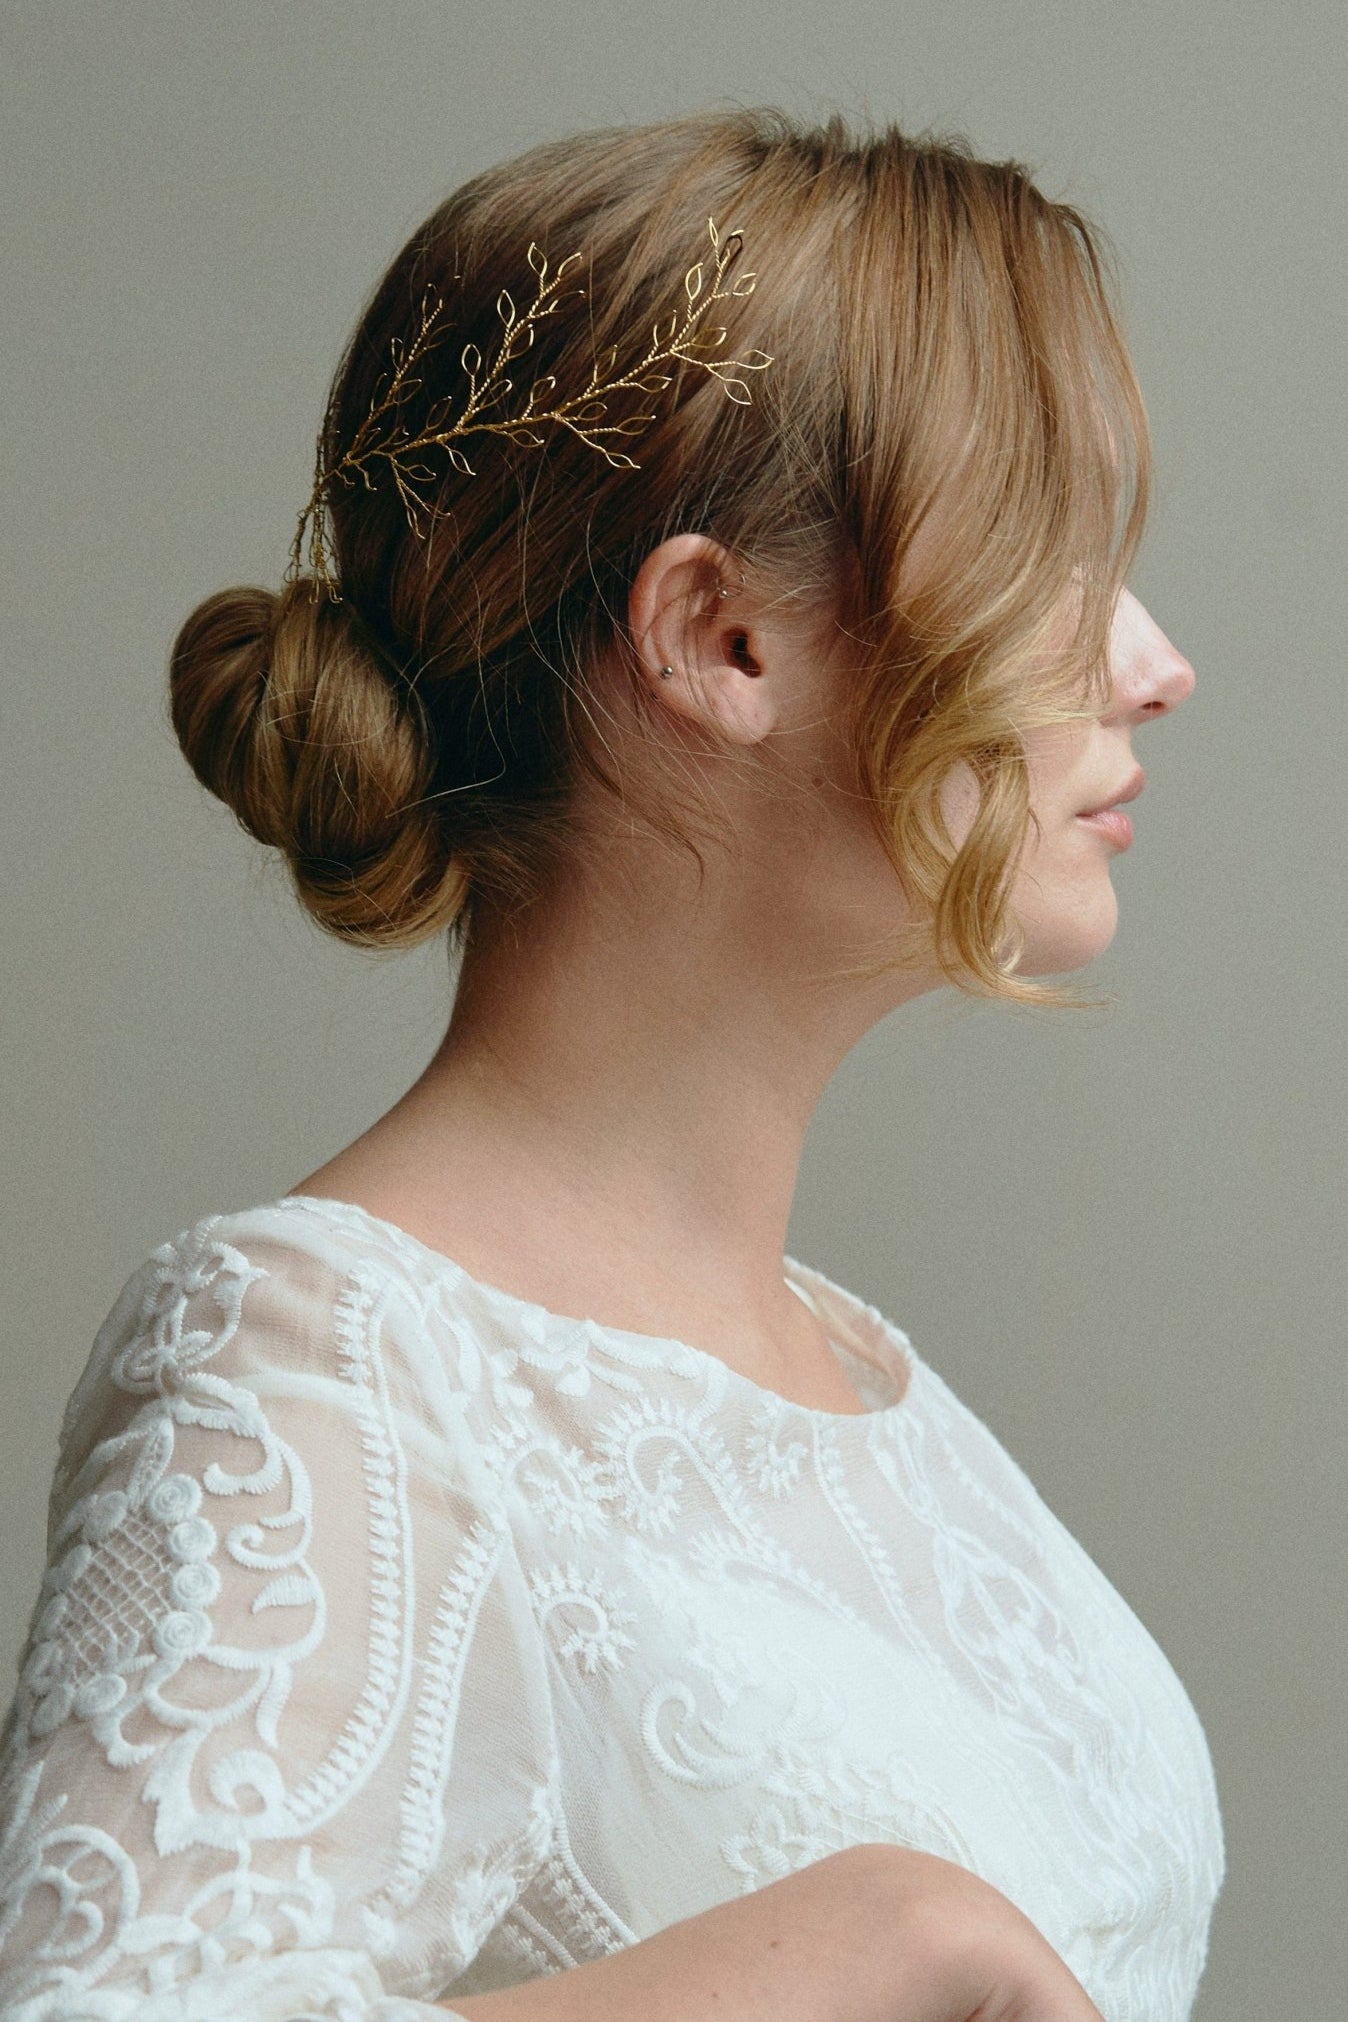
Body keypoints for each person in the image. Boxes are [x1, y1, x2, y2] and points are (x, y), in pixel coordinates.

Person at [0, 106, 1223, 2022]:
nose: (1153, 662)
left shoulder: (889, 1399)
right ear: (719, 637)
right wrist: (878, 1943)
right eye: (1051, 556)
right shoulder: (321, 1369)